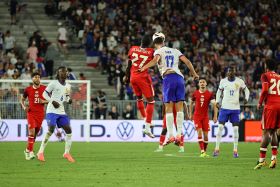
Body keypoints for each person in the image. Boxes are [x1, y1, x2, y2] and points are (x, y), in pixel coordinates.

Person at [139, 32, 199, 144]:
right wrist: (194, 74)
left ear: (154, 42)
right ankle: (179, 135)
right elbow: (187, 62)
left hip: (168, 78)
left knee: (169, 108)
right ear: (164, 40)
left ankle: (171, 135)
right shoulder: (175, 51)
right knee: (179, 107)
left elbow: (155, 61)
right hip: (180, 79)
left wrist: (143, 67)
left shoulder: (158, 51)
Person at [37, 66, 75, 162]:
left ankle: (66, 153)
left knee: (69, 130)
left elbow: (66, 96)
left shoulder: (68, 86)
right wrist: (52, 101)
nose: (64, 73)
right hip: (51, 110)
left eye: (65, 71)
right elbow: (44, 94)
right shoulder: (53, 83)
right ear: (58, 74)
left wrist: (69, 100)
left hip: (61, 111)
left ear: (67, 74)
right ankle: (40, 152)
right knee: (51, 129)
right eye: (61, 72)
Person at [213, 66, 250, 158]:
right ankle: (216, 149)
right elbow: (218, 91)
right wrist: (217, 101)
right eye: (229, 71)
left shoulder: (239, 81)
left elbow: (246, 90)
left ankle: (235, 151)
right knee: (220, 128)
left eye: (232, 71)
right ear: (227, 72)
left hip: (235, 108)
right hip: (224, 108)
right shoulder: (223, 81)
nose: (231, 72)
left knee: (235, 129)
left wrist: (246, 98)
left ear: (235, 72)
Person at [123, 35, 155, 138]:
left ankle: (145, 118)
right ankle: (147, 126)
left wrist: (126, 76)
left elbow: (129, 64)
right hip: (142, 77)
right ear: (149, 44)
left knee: (139, 98)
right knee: (151, 101)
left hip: (133, 77)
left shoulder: (133, 48)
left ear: (141, 41)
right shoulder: (151, 51)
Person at [254, 60, 280, 169]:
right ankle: (273, 158)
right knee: (274, 132)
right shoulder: (279, 76)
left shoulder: (265, 75)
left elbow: (265, 90)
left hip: (271, 106)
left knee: (265, 132)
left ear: (266, 66)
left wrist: (260, 102)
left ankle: (261, 160)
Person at [20, 72, 47, 160]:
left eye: (39, 77)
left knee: (34, 135)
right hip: (31, 113)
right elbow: (22, 100)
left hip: (40, 114)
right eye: (35, 77)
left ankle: (27, 150)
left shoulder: (44, 88)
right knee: (31, 132)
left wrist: (43, 101)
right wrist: (24, 107)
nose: (37, 78)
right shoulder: (28, 89)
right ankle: (31, 152)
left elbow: (51, 100)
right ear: (32, 79)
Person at [189, 78, 218, 157]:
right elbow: (191, 103)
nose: (202, 83)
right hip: (197, 116)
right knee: (199, 131)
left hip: (205, 117)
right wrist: (190, 113)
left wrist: (215, 116)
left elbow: (215, 105)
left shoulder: (209, 94)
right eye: (200, 82)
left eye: (203, 82)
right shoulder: (195, 93)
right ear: (198, 84)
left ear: (206, 84)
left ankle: (204, 152)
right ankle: (202, 151)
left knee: (206, 135)